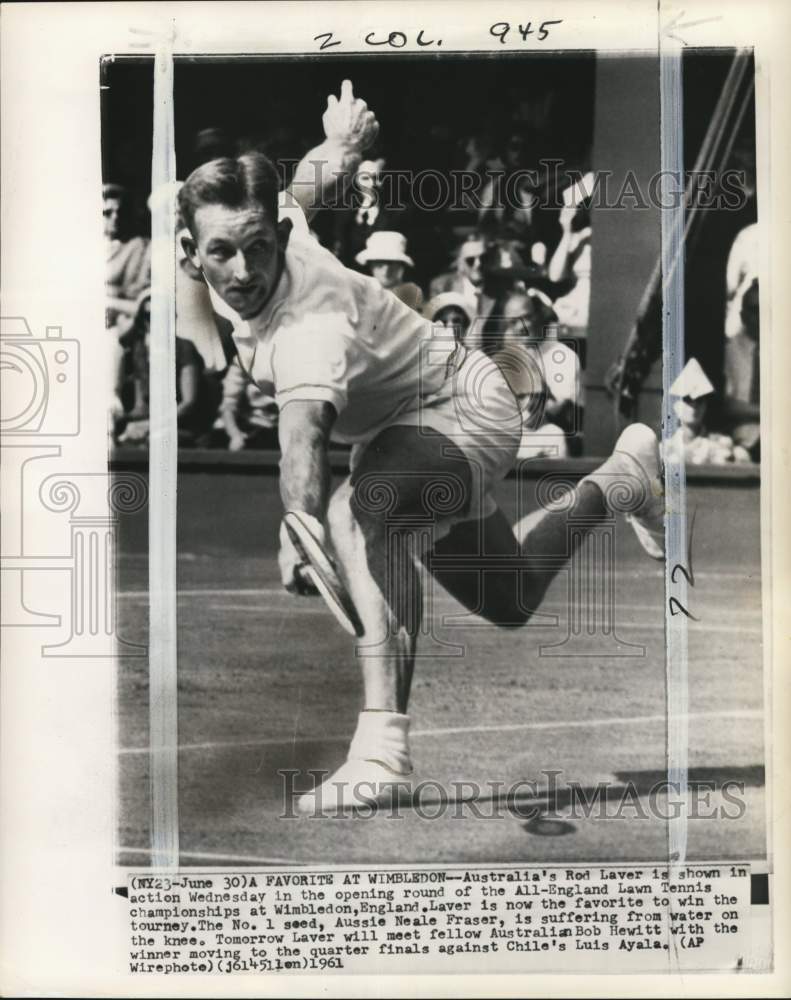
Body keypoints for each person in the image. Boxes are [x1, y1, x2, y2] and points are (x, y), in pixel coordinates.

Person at [178, 143, 666, 816]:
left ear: (281, 238)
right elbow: (303, 188)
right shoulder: (257, 232)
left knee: (359, 511)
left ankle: (381, 753)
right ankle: (624, 477)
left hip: (464, 404)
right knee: (511, 596)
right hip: (400, 428)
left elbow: (304, 436)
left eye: (258, 248)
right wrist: (340, 147)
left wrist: (300, 523)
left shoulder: (310, 328)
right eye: (222, 253)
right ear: (193, 251)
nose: (243, 270)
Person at [104, 183, 151, 326]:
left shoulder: (137, 246)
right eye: (107, 213)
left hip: (118, 321)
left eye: (120, 212)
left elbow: (132, 294)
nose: (115, 217)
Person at [428, 235, 495, 323]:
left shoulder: (497, 291)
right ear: (461, 263)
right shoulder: (442, 286)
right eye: (471, 260)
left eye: (483, 259)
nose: (478, 264)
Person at [355, 231, 423, 311]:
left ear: (401, 266)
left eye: (392, 264)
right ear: (371, 265)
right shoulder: (360, 293)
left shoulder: (410, 293)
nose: (386, 271)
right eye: (380, 265)